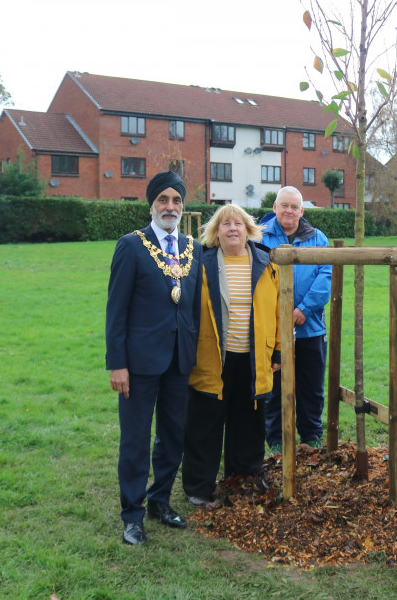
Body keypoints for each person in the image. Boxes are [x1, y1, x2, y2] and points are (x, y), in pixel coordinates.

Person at [105, 171, 202, 546]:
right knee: (135, 441)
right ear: (151, 205)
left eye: (177, 200)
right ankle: (132, 515)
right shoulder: (131, 246)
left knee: (172, 436)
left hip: (179, 362)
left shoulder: (192, 248)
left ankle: (160, 500)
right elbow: (116, 310)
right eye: (163, 200)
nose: (170, 207)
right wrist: (118, 363)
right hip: (139, 364)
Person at [182, 204, 281, 506]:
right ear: (216, 231)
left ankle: (245, 477)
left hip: (253, 357)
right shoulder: (201, 262)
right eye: (225, 225)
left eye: (238, 223)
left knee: (249, 421)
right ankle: (199, 486)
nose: (233, 229)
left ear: (249, 229)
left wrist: (277, 350)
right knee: (205, 423)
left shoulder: (267, 263)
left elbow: (277, 311)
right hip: (212, 356)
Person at [258, 186, 331, 453]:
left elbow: (326, 276)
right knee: (274, 387)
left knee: (311, 386)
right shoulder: (259, 237)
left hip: (309, 327)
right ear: (275, 208)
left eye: (294, 207)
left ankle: (311, 436)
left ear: (302, 211)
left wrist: (303, 309)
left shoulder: (318, 239)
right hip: (272, 330)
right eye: (284, 205)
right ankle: (275, 439)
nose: (288, 211)